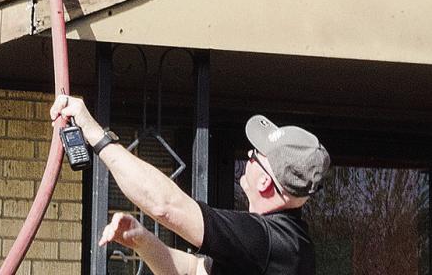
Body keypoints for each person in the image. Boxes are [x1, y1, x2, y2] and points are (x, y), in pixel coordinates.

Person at [50, 94, 331, 275]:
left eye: (255, 154)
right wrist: (142, 240)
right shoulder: (281, 245)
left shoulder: (267, 241)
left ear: (265, 183)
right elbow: (192, 270)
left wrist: (95, 135)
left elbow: (166, 206)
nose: (248, 155)